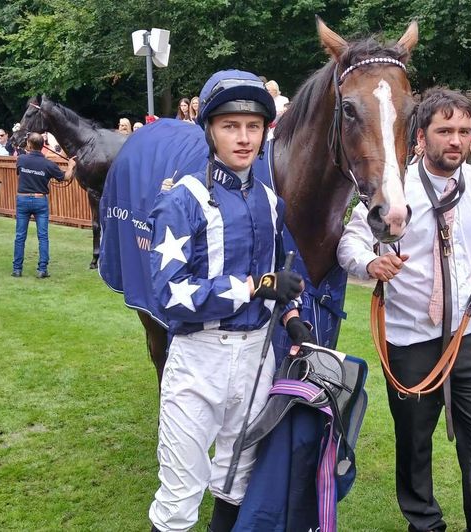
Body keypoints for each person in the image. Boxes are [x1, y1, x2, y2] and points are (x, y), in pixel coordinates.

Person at [338, 88, 471, 532]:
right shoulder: (396, 188)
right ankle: (423, 524)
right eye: (444, 130)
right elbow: (350, 241)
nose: (456, 140)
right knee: (413, 443)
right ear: (421, 135)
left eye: (464, 132)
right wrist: (371, 262)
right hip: (410, 339)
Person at [146, 69, 309, 532]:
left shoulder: (270, 201)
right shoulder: (183, 200)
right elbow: (171, 295)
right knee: (181, 489)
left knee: (237, 477)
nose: (243, 138)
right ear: (210, 130)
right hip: (199, 358)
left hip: (257, 354)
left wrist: (292, 315)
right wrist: (254, 287)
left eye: (253, 126)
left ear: (265, 131)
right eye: (230, 126)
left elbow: (281, 275)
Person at [11, 133, 74, 278]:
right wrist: (70, 165)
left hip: (23, 199)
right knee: (43, 236)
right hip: (40, 200)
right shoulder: (48, 164)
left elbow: (20, 172)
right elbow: (65, 177)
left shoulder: (21, 159)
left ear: (29, 145)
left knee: (20, 236)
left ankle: (17, 269)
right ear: (42, 146)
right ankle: (42, 269)